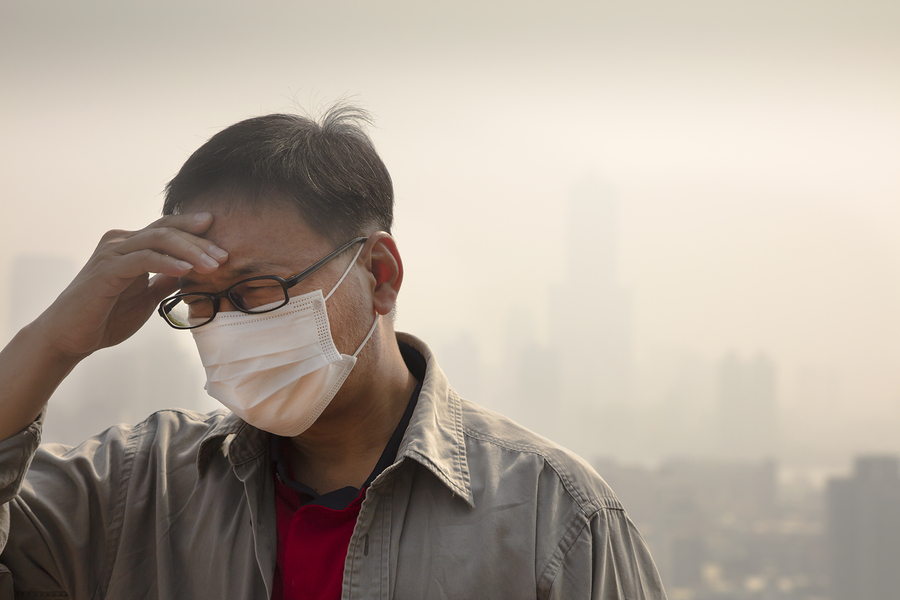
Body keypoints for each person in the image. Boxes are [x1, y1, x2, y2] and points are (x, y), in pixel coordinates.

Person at [0, 106, 667, 599]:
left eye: (258, 292)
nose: (226, 327)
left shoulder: (553, 517)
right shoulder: (134, 491)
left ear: (379, 275)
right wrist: (51, 344)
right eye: (199, 303)